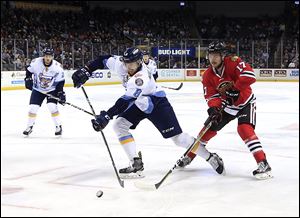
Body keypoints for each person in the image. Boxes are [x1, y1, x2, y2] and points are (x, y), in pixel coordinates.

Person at [71, 47, 225, 178]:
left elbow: (125, 101)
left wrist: (107, 115)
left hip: (156, 103)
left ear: (139, 62)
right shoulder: (121, 64)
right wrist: (86, 70)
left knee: (178, 139)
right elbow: (102, 59)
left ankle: (210, 157)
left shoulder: (140, 77)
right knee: (119, 125)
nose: (129, 67)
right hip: (139, 103)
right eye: (127, 63)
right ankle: (136, 163)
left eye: (132, 63)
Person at [179, 41, 273, 180]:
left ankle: (263, 163)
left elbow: (250, 76)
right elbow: (211, 95)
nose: (213, 59)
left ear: (223, 56)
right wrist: (214, 109)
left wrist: (235, 89)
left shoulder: (234, 62)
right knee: (206, 131)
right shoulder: (207, 75)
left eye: (216, 55)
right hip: (227, 106)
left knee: (244, 129)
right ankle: (190, 155)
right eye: (211, 55)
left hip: (245, 102)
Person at [23, 47, 66, 136]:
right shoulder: (36, 63)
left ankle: (58, 126)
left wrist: (61, 93)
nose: (47, 58)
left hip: (51, 90)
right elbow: (28, 70)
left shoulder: (57, 67)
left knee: (52, 106)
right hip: (38, 89)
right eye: (46, 56)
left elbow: (60, 81)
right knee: (33, 108)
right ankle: (29, 126)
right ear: (43, 56)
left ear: (52, 57)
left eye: (49, 56)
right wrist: (28, 79)